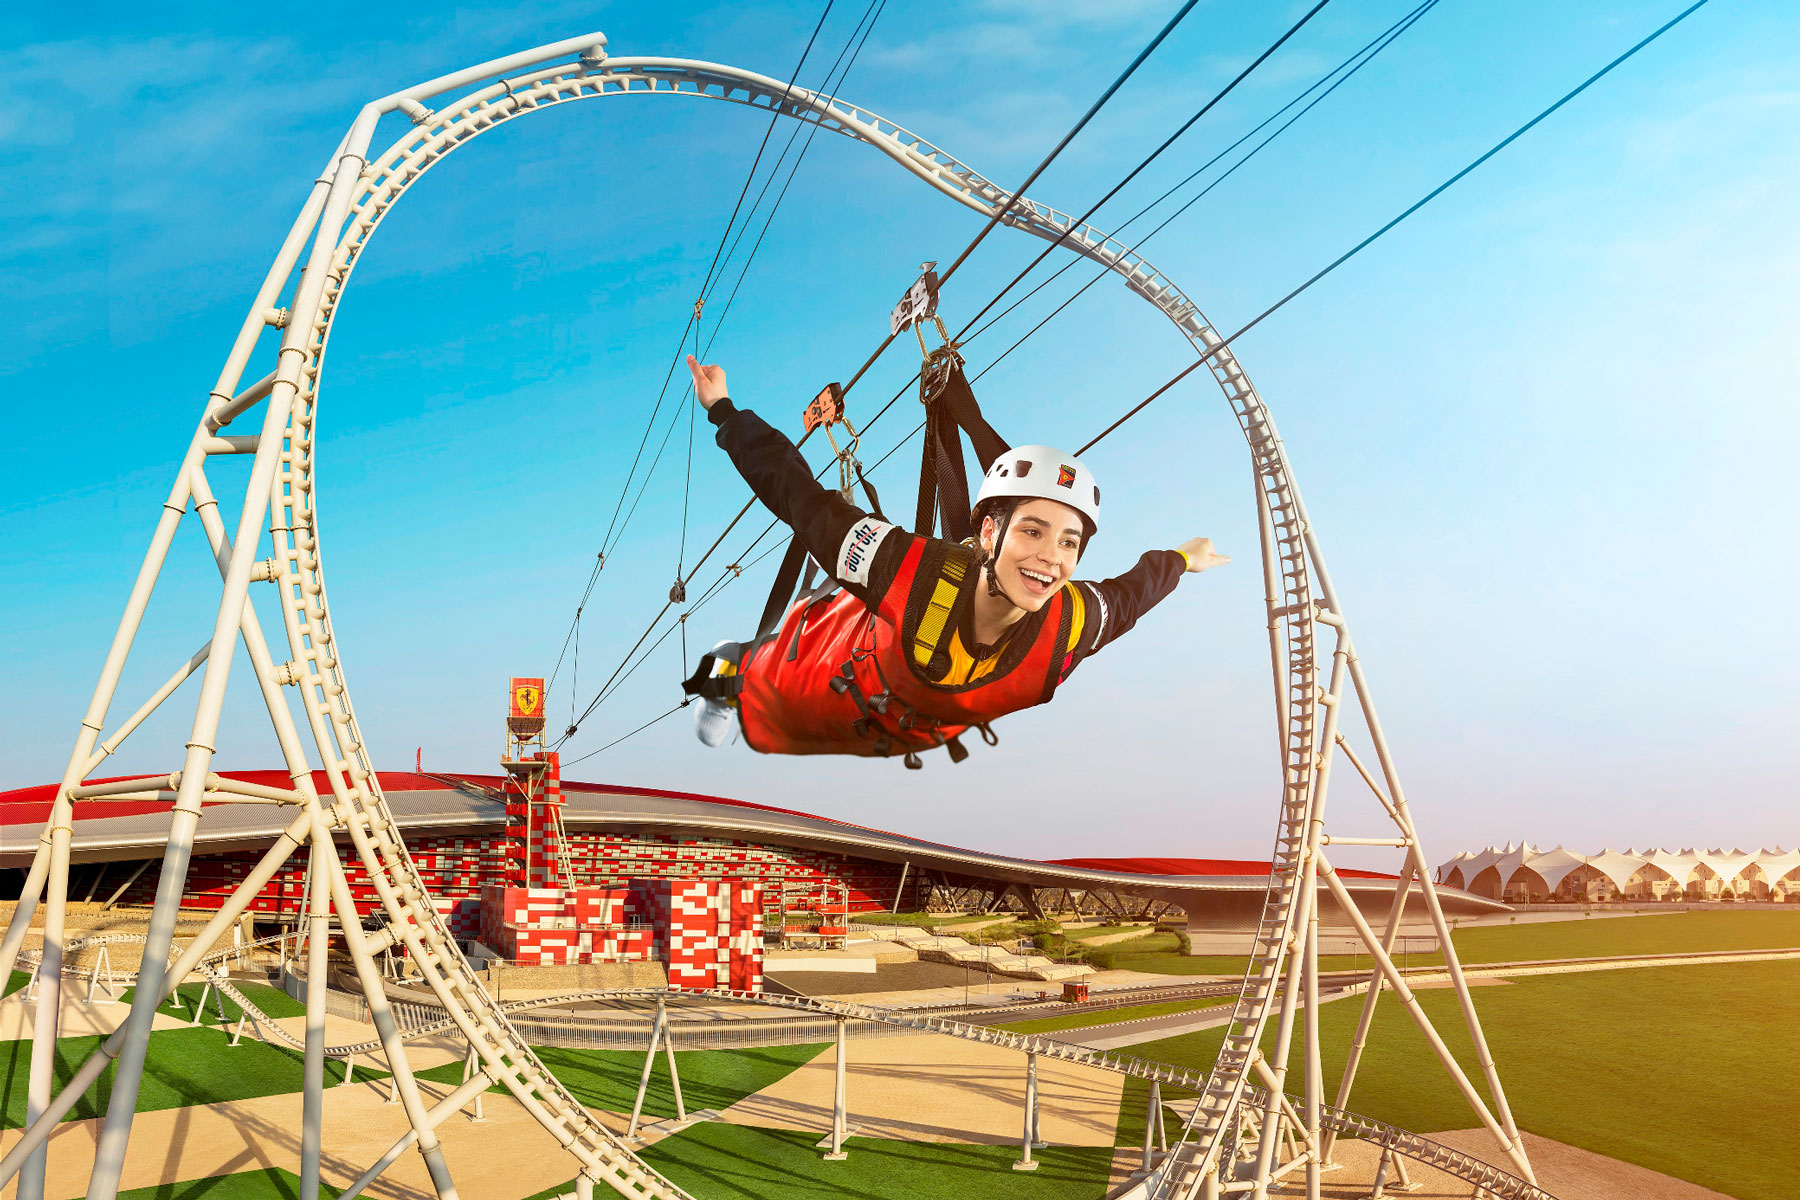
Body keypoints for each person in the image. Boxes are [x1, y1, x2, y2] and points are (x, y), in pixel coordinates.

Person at [682, 355, 1228, 765]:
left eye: (1068, 543)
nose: (1049, 559)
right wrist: (723, 412)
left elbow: (1133, 594)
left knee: (801, 728)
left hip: (906, 729)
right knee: (773, 696)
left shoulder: (1073, 621)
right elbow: (799, 498)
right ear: (988, 532)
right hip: (839, 678)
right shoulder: (904, 569)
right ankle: (731, 663)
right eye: (1033, 531)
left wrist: (1183, 558)